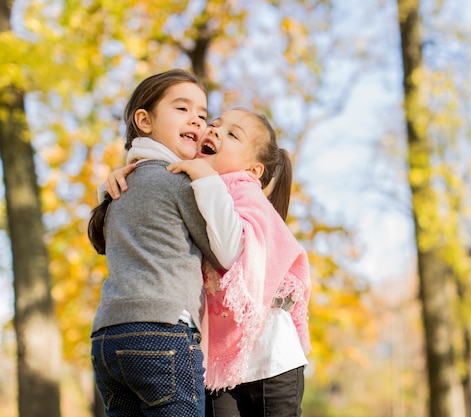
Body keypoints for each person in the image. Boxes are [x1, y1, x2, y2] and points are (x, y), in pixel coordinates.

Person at [106, 108, 312, 417]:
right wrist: (122, 178)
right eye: (213, 125)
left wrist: (206, 181)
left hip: (269, 358)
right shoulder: (190, 187)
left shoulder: (246, 195)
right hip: (217, 363)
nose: (214, 131)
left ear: (254, 170)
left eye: (231, 134)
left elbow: (237, 251)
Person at [87, 69, 223, 417]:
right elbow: (223, 251)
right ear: (144, 121)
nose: (196, 119)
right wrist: (212, 185)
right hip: (162, 333)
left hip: (106, 338)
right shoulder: (181, 182)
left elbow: (101, 236)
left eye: (203, 115)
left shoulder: (118, 189)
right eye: (182, 109)